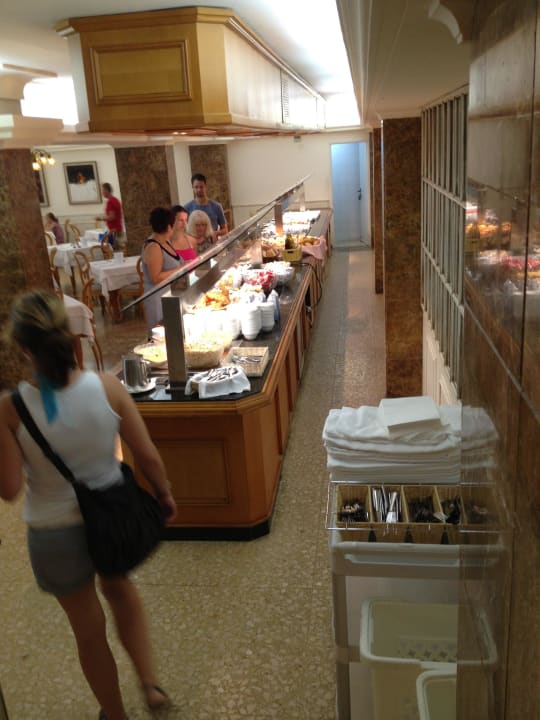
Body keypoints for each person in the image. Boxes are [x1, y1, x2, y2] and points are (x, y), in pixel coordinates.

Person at [0, 290, 177, 720]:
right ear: (69, 332)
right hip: (114, 516)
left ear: (24, 348)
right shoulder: (107, 387)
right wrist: (164, 494)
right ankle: (150, 684)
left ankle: (114, 714)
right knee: (121, 591)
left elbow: (9, 489)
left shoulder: (10, 409)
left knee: (88, 629)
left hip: (53, 532)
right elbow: (148, 456)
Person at [141, 207, 183, 333]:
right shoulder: (153, 247)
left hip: (169, 297)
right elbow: (156, 278)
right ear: (168, 226)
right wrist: (181, 269)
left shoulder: (165, 242)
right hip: (158, 300)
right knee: (161, 335)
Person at [184, 173, 228, 238]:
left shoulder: (217, 206)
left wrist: (214, 233)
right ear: (192, 187)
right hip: (195, 242)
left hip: (213, 242)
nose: (199, 189)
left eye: (201, 187)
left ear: (205, 187)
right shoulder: (187, 208)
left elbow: (225, 230)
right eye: (196, 187)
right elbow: (184, 231)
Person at [96, 183, 124, 250]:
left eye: (102, 190)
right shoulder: (115, 200)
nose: (102, 192)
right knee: (118, 250)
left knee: (117, 252)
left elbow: (112, 217)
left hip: (115, 231)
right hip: (117, 229)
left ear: (106, 190)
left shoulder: (111, 202)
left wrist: (100, 218)